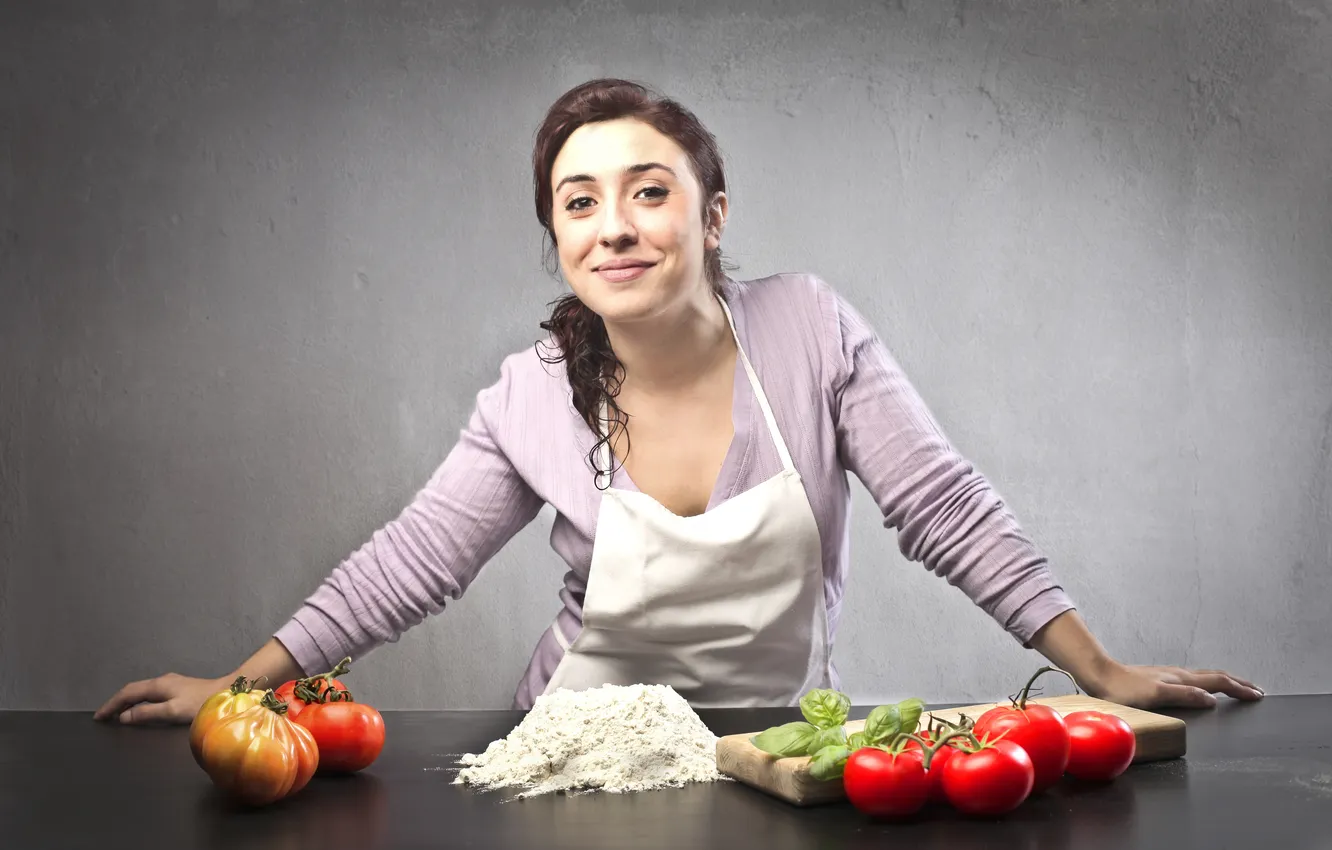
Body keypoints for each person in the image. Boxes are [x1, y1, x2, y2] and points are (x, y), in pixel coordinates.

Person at [96, 78, 1262, 725]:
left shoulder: (807, 329)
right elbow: (409, 566)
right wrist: (235, 689)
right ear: (558, 239)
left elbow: (944, 509)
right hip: (570, 757)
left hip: (775, 754)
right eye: (579, 202)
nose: (614, 226)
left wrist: (1099, 669)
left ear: (711, 216)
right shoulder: (530, 395)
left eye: (648, 192)